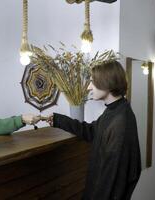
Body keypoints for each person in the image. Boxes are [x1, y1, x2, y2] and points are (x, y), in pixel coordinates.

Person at [48, 60, 141, 200]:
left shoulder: (120, 121)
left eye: (93, 81)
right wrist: (58, 120)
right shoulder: (114, 110)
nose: (89, 87)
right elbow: (91, 131)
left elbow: (112, 180)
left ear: (107, 82)